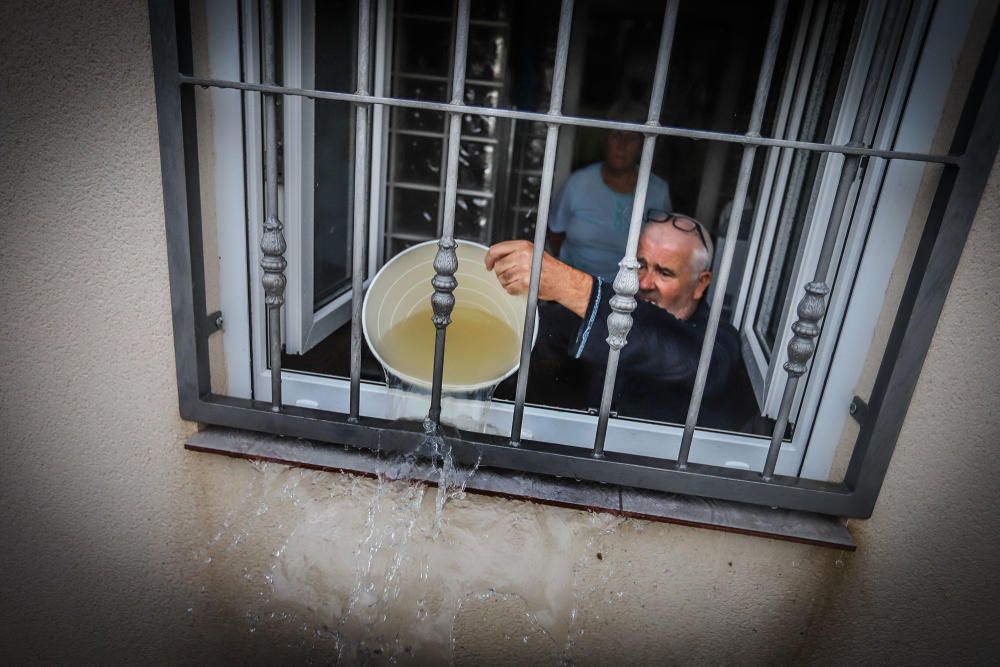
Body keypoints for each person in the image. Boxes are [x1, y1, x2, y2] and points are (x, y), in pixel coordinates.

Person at [486, 210, 755, 430]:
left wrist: (567, 284)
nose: (645, 283)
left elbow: (685, 358)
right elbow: (542, 332)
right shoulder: (611, 309)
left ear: (700, 284)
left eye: (664, 272)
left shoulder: (720, 341)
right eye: (640, 265)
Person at [547, 99, 672, 282]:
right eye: (616, 135)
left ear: (643, 146)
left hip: (629, 293)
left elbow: (662, 250)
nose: (622, 145)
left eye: (631, 138)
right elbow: (555, 232)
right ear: (605, 139)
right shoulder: (578, 183)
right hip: (572, 284)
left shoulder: (658, 191)